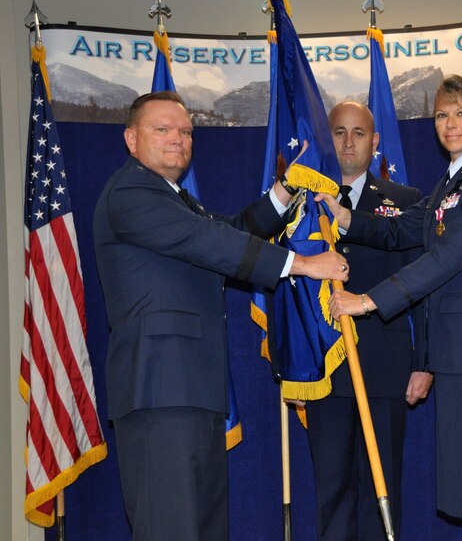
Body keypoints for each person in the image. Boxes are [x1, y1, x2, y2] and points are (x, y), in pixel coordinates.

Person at [93, 91, 348, 541]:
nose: (178, 139)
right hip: (159, 393)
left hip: (190, 392)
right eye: (163, 129)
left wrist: (284, 190)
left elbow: (224, 232)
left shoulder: (174, 200)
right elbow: (206, 242)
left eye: (186, 131)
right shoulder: (130, 191)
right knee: (170, 530)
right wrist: (302, 265)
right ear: (131, 140)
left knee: (202, 529)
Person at [320, 77, 462, 541]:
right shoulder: (455, 181)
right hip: (458, 355)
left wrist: (368, 300)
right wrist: (347, 219)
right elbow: (401, 229)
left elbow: (445, 258)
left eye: (461, 113)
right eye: (442, 115)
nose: (450, 124)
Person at [304, 102, 433, 541]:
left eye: (358, 133)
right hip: (324, 369)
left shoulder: (405, 202)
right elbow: (288, 291)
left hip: (384, 364)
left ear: (375, 142)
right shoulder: (303, 203)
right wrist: (296, 369)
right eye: (339, 132)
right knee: (332, 490)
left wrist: (424, 361)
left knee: (381, 488)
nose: (348, 142)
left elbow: (421, 285)